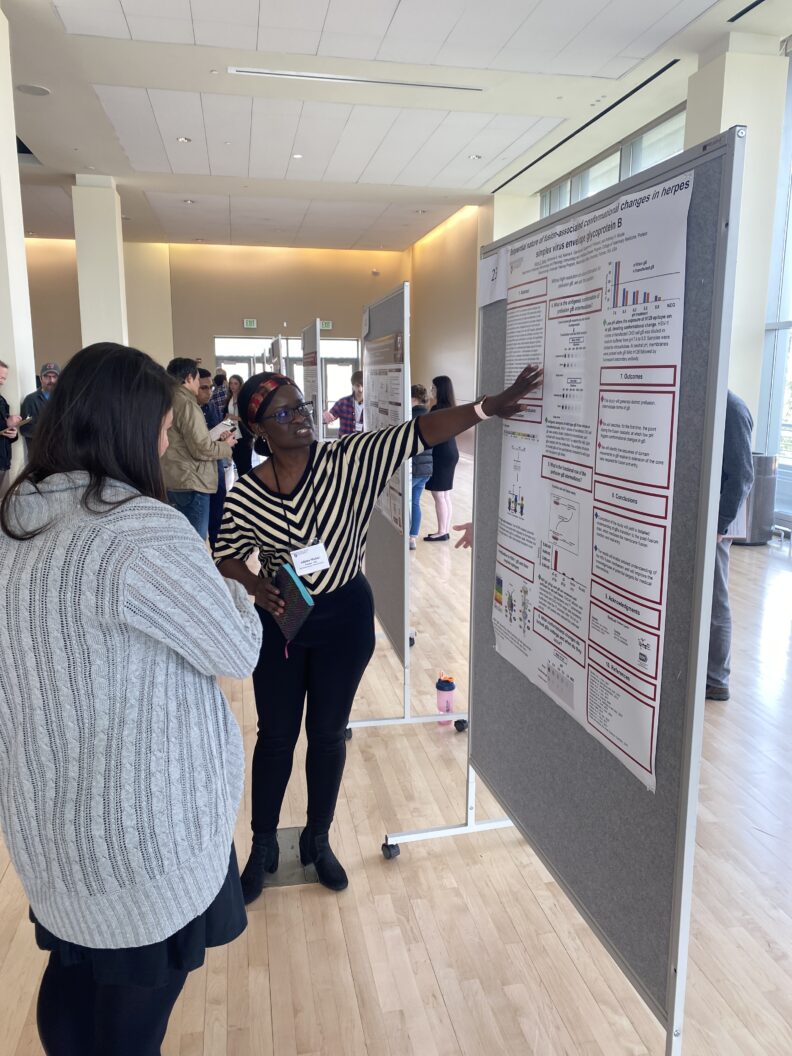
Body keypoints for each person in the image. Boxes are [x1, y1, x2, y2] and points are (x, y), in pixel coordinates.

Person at [0, 343, 262, 1056]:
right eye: (157, 423)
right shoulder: (139, 531)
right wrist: (234, 589)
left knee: (76, 975)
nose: (164, 438)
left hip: (49, 822)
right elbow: (237, 651)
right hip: (139, 837)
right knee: (133, 1019)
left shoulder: (17, 515)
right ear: (125, 425)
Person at [214, 364, 543, 903]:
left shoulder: (349, 460)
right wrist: (255, 585)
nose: (301, 418)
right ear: (259, 432)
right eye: (284, 414)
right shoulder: (248, 494)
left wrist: (485, 407)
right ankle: (264, 845)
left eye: (301, 406)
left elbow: (420, 432)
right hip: (284, 620)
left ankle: (318, 842)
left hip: (343, 615)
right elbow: (226, 554)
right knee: (275, 737)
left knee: (327, 734)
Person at [706, 390, 754, 701]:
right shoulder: (709, 403)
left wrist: (720, 525)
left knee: (715, 597)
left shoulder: (733, 408)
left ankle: (717, 679)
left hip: (717, 523)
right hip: (706, 518)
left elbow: (742, 475)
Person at [161, 357, 235, 541]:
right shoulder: (187, 404)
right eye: (197, 380)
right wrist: (226, 447)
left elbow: (186, 441)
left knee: (181, 540)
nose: (205, 388)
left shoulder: (166, 399)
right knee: (194, 542)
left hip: (173, 478)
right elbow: (201, 449)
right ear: (188, 378)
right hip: (192, 481)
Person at [425, 375, 460, 541]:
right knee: (445, 495)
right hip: (452, 452)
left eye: (433, 388)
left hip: (441, 453)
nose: (431, 391)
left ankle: (441, 531)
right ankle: (444, 530)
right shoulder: (452, 408)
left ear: (440, 390)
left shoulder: (437, 409)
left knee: (438, 494)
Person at [197, 368, 228, 550]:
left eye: (210, 388)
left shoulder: (212, 407)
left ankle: (219, 559)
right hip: (198, 473)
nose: (209, 392)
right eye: (203, 388)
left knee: (218, 516)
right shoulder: (188, 412)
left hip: (216, 468)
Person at [409, 383, 433, 551]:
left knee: (407, 503)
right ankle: (412, 538)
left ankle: (404, 535)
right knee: (415, 502)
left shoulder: (410, 418)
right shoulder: (430, 416)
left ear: (414, 399)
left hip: (414, 467)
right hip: (426, 469)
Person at [21, 362, 60, 448]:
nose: (51, 380)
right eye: (47, 376)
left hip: (61, 451)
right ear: (40, 378)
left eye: (54, 377)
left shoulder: (64, 399)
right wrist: (47, 432)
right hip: (39, 453)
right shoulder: (30, 400)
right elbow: (24, 428)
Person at [0, 360, 21, 494]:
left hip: (3, 461)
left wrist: (13, 433)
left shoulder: (2, 400)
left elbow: (5, 426)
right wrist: (6, 424)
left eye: (3, 378)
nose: (1, 381)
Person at [225, 374, 252, 478]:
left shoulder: (244, 399)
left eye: (235, 383)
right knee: (238, 463)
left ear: (240, 385)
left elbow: (248, 417)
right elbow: (228, 417)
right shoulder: (229, 398)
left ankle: (249, 487)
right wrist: (227, 419)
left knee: (246, 465)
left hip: (244, 434)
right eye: (231, 383)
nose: (232, 386)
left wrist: (234, 417)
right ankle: (242, 486)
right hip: (233, 434)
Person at [322, 369, 364, 435]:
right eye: (357, 385)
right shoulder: (343, 402)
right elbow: (330, 416)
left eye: (363, 385)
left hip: (363, 442)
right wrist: (326, 416)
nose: (360, 389)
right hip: (345, 442)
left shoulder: (371, 405)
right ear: (353, 386)